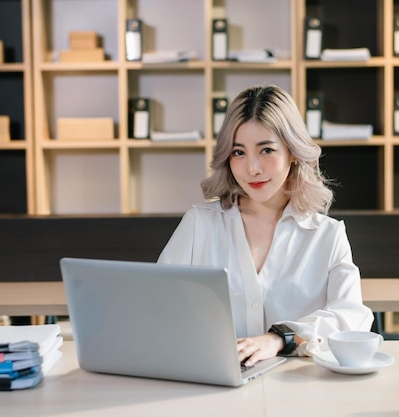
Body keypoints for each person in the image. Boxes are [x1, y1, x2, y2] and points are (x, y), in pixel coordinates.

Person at [157, 84, 373, 367]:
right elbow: (157, 307)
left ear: (293, 152)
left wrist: (280, 337)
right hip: (215, 383)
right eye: (239, 153)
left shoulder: (327, 235)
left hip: (299, 389)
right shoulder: (199, 225)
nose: (252, 169)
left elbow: (352, 318)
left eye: (266, 150)